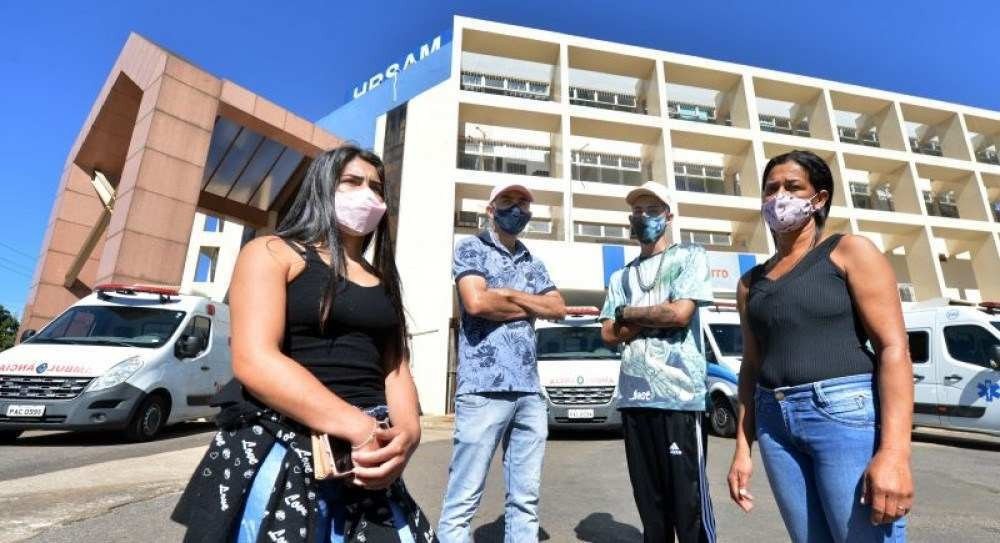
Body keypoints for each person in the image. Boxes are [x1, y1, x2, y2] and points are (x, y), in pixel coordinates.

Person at [172, 145, 436, 543]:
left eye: (376, 187)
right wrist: (357, 426)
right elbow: (255, 358)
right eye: (352, 181)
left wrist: (407, 436)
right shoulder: (271, 252)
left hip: (367, 457)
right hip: (283, 444)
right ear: (321, 186)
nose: (367, 194)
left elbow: (396, 368)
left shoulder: (383, 280)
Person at [727, 150, 913, 542]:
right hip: (773, 422)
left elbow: (893, 349)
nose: (779, 197)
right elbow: (751, 365)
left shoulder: (849, 251)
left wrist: (895, 454)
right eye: (771, 189)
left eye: (792, 187)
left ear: (819, 198)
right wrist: (743, 448)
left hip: (842, 414)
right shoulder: (749, 283)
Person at [437, 182, 566, 543]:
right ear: (491, 210)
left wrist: (507, 294)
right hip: (482, 389)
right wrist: (531, 305)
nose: (517, 208)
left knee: (526, 499)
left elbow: (557, 307)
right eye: (508, 201)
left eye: (523, 203)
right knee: (463, 497)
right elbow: (477, 303)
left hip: (529, 391)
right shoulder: (471, 248)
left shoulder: (533, 262)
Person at [599, 181, 717, 543]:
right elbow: (608, 333)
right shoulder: (621, 275)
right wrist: (652, 313)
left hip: (680, 399)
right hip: (635, 399)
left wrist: (628, 314)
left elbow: (679, 314)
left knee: (689, 505)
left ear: (668, 216)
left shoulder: (690, 256)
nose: (644, 217)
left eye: (652, 210)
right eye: (638, 211)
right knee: (651, 507)